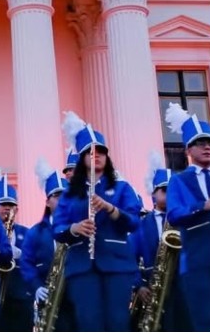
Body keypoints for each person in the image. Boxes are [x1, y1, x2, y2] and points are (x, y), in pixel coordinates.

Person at [52, 110, 142, 331]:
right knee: (88, 321)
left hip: (117, 264)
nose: (97, 155)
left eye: (101, 151)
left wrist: (111, 208)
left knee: (117, 321)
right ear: (82, 159)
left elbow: (133, 222)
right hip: (82, 266)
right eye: (90, 152)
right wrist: (74, 228)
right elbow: (58, 228)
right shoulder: (70, 194)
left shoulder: (121, 188)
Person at [165, 103, 210, 332]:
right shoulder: (178, 180)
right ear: (188, 150)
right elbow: (174, 215)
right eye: (200, 143)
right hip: (197, 261)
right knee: (204, 322)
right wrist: (203, 205)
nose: (207, 147)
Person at [129, 150, 190, 332]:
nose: (170, 194)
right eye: (165, 190)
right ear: (153, 193)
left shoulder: (184, 218)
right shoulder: (141, 225)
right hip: (154, 287)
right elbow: (130, 257)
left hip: (184, 284)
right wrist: (138, 286)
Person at [20, 158, 74, 332]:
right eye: (57, 196)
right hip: (50, 296)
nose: (62, 200)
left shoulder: (80, 227)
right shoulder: (35, 232)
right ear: (47, 201)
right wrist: (36, 287)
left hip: (78, 294)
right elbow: (26, 263)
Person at [0, 170, 32, 332]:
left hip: (20, 296)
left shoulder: (26, 232)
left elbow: (32, 261)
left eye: (11, 205)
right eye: (3, 204)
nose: (7, 209)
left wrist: (20, 254)